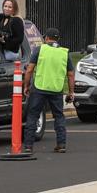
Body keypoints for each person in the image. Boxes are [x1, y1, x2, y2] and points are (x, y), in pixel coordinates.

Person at [22, 27, 75, 155]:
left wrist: (26, 85)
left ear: (46, 38)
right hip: (56, 89)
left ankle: (28, 146)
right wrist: (71, 92)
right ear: (58, 39)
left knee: (33, 116)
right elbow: (71, 74)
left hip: (39, 88)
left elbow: (29, 69)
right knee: (59, 117)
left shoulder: (39, 49)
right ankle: (61, 144)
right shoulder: (64, 52)